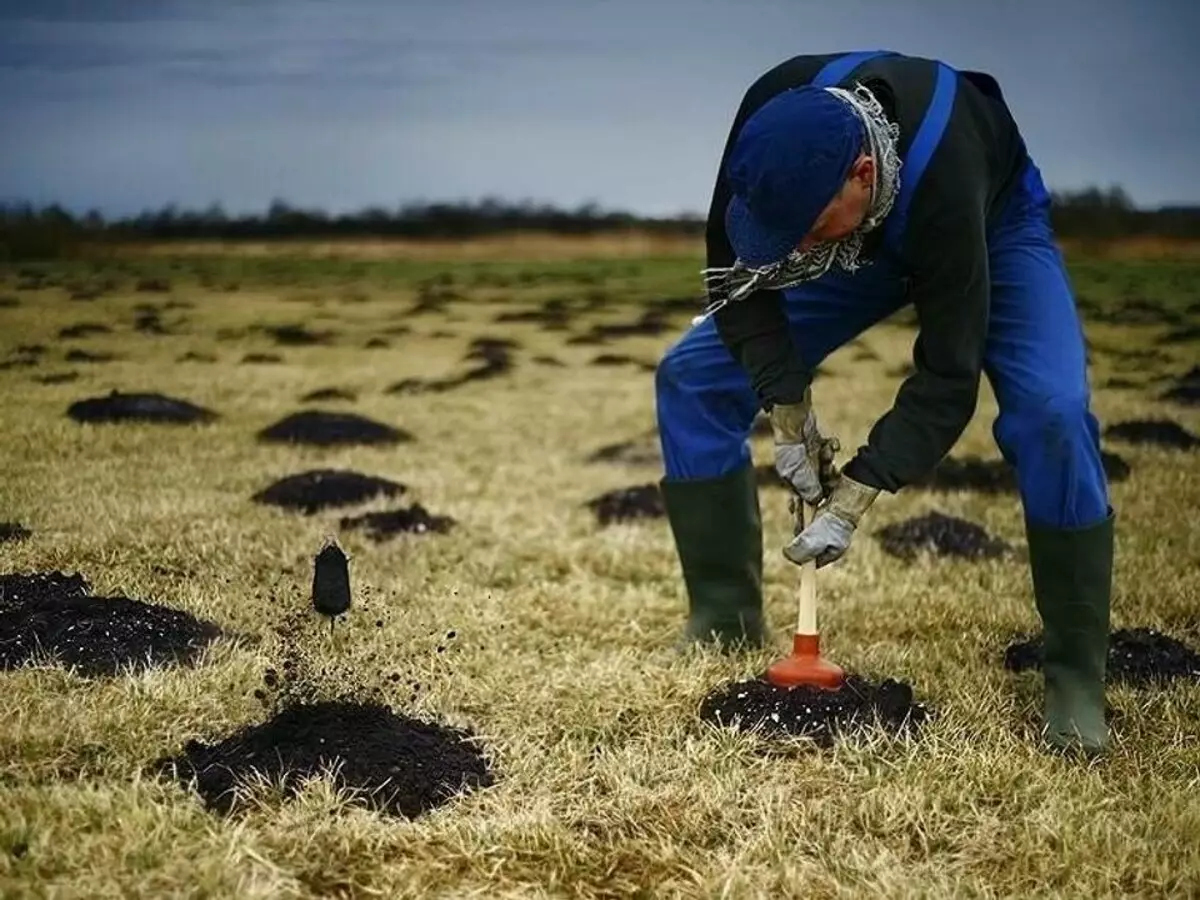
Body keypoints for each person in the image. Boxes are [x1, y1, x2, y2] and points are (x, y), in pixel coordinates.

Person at [654, 50, 1114, 755]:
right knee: (691, 377)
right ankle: (723, 618)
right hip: (850, 244)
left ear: (862, 175)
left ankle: (1076, 676)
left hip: (986, 228)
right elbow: (737, 283)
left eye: (799, 230)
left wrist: (856, 494)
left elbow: (949, 376)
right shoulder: (773, 124)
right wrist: (787, 411)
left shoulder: (947, 168)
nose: (789, 250)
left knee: (1050, 413)